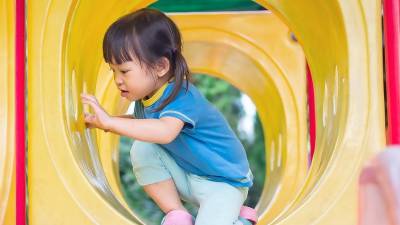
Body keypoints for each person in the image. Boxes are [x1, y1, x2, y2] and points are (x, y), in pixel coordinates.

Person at [81, 8, 257, 225]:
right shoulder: (147, 98)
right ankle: (178, 214)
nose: (117, 79)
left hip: (224, 182)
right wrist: (106, 122)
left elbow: (164, 131)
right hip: (190, 175)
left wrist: (111, 122)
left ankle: (239, 220)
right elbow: (144, 125)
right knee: (143, 148)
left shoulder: (182, 95)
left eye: (124, 71)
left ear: (160, 66)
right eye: (113, 71)